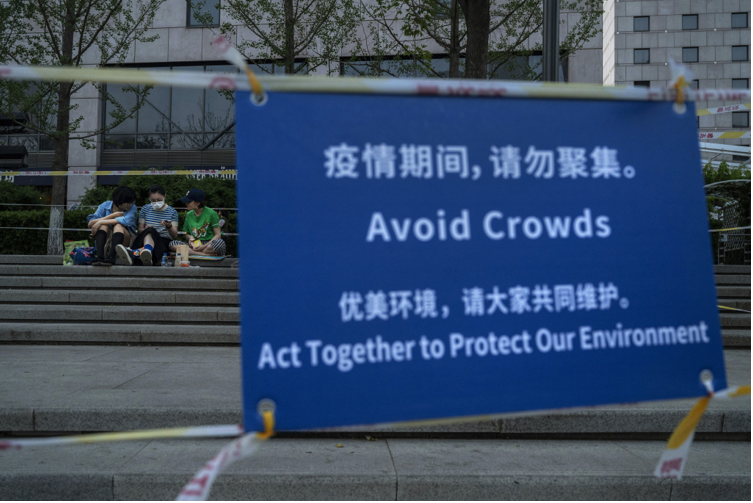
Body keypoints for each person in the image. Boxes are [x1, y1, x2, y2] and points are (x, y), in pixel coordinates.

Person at [116, 184, 179, 266]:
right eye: (153, 200)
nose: (156, 203)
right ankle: (146, 251)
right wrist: (145, 229)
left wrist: (169, 226)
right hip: (145, 238)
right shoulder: (145, 209)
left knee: (151, 231)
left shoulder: (172, 212)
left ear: (165, 196)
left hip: (162, 241)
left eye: (159, 200)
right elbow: (140, 230)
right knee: (150, 231)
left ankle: (135, 253)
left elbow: (174, 235)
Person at [86, 186, 138, 266]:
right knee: (103, 226)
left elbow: (125, 221)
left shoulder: (133, 208)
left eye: (132, 202)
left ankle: (111, 257)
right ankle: (100, 257)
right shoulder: (105, 205)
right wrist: (113, 215)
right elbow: (91, 223)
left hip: (125, 243)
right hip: (107, 242)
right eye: (128, 203)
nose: (130, 205)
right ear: (118, 200)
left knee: (118, 225)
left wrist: (100, 222)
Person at [169, 188, 226, 256]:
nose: (186, 203)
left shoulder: (212, 213)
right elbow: (187, 234)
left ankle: (194, 253)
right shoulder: (189, 214)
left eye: (188, 202)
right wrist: (190, 238)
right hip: (195, 245)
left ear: (198, 203)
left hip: (209, 244)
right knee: (172, 244)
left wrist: (204, 246)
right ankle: (204, 255)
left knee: (220, 243)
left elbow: (218, 235)